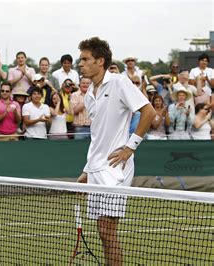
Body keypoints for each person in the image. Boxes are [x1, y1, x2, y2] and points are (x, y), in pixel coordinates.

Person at [76, 37, 155, 266]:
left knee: (107, 229)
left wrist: (130, 147)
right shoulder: (90, 93)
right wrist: (87, 170)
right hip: (96, 169)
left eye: (85, 59)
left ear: (100, 61)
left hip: (115, 169)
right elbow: (98, 137)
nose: (81, 64)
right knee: (103, 232)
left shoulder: (120, 82)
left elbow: (148, 112)